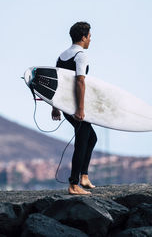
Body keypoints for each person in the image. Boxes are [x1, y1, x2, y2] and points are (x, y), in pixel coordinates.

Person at [51, 22, 97, 195]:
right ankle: (73, 184)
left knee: (91, 138)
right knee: (82, 140)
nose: (91, 39)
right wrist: (80, 109)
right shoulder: (81, 55)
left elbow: (58, 83)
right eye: (90, 36)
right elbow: (80, 81)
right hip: (74, 106)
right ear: (83, 37)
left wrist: (55, 107)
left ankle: (83, 176)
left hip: (65, 105)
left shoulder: (62, 56)